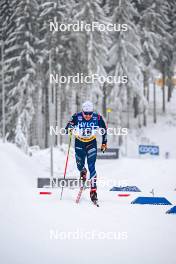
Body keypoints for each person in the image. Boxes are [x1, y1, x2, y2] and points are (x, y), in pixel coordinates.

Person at [65, 101, 107, 203]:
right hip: (79, 143)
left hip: (91, 143)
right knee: (80, 166)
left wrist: (104, 143)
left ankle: (93, 191)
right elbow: (67, 127)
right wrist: (69, 127)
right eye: (86, 114)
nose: (88, 116)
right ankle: (83, 171)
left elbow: (104, 129)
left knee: (92, 166)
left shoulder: (97, 118)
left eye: (90, 114)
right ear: (82, 112)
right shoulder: (76, 116)